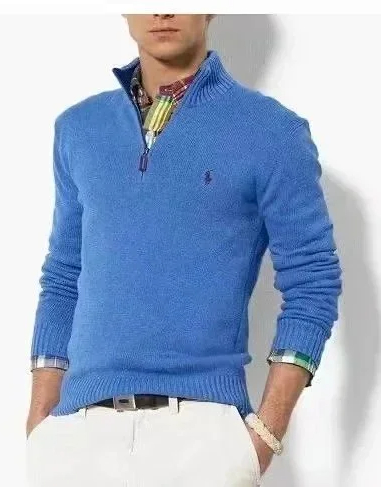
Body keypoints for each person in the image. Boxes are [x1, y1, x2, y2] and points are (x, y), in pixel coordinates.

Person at [25, 14, 343, 487]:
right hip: (76, 440)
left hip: (202, 439)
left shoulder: (271, 131)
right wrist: (41, 420)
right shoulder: (79, 129)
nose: (163, 10)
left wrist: (266, 435)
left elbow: (313, 281)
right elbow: (64, 275)